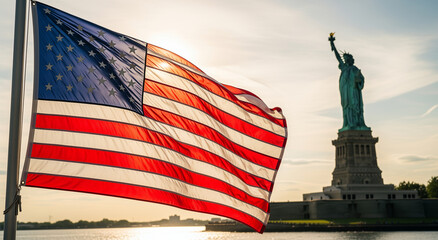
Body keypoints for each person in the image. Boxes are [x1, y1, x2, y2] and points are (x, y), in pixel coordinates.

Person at [329, 33, 369, 132]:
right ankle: (347, 124)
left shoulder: (355, 69)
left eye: (348, 59)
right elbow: (338, 57)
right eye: (346, 59)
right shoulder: (344, 68)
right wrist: (332, 44)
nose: (347, 60)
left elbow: (361, 79)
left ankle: (357, 124)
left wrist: (358, 81)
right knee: (346, 107)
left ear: (351, 60)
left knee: (355, 106)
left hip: (353, 91)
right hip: (345, 91)